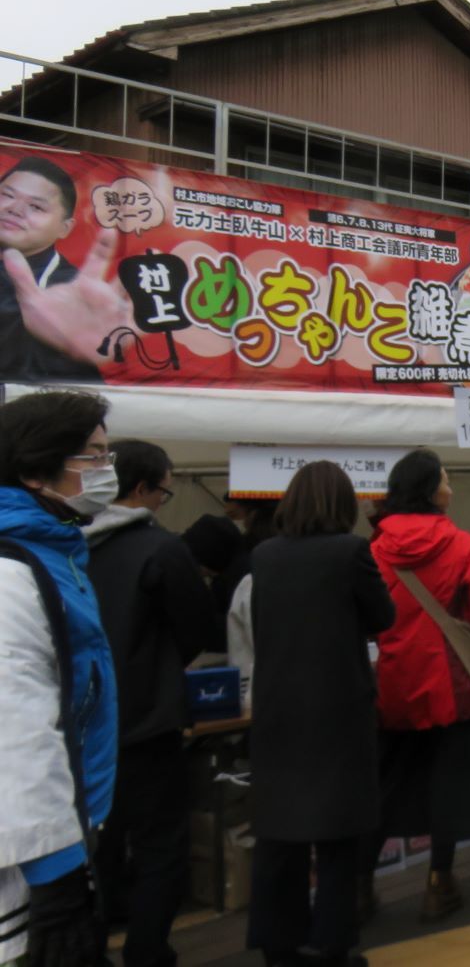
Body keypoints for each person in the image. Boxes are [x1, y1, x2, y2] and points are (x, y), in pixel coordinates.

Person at [248, 461, 395, 967]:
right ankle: (333, 945)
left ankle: (276, 943)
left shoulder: (263, 556)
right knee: (337, 836)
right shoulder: (350, 551)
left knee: (278, 833)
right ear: (342, 503)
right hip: (337, 708)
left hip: (276, 709)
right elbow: (383, 617)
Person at [85, 439, 218, 967]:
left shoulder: (65, 543)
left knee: (96, 849)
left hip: (80, 723)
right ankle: (147, 951)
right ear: (141, 488)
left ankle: (90, 948)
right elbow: (198, 629)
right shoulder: (161, 548)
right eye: (164, 489)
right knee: (161, 842)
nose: (166, 499)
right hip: (148, 720)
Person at [0, 389, 118, 967]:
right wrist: (57, 875)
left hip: (68, 827)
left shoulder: (55, 551)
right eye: (92, 458)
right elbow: (14, 733)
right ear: (33, 472)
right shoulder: (9, 570)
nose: (106, 471)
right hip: (25, 866)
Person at [363, 449, 470, 922]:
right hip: (449, 683)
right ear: (430, 490)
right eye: (446, 479)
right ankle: (439, 884)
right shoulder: (460, 544)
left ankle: (359, 885)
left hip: (393, 683)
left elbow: (366, 615)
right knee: (449, 785)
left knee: (385, 785)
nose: (452, 487)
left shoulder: (376, 547)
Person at [0, 156, 125, 383]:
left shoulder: (69, 292)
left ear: (64, 228)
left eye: (36, 207)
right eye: (6, 195)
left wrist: (68, 347)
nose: (15, 209)